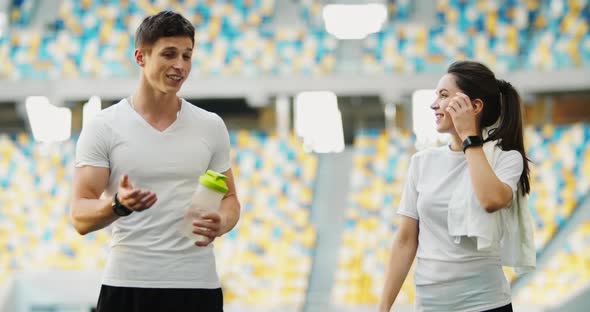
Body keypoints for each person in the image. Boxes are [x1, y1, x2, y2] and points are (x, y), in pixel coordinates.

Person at [70, 11, 240, 312]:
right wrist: (117, 205)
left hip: (198, 287)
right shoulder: (104, 126)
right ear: (141, 56)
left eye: (187, 56)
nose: (180, 65)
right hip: (127, 287)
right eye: (169, 54)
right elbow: (79, 215)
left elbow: (229, 198)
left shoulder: (210, 125)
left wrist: (222, 221)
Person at [378, 60, 532, 312]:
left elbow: (491, 200)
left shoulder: (506, 158)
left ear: (475, 106)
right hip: (430, 306)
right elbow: (406, 240)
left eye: (444, 95)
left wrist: (469, 137)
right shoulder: (422, 162)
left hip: (486, 305)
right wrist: (383, 307)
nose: (434, 104)